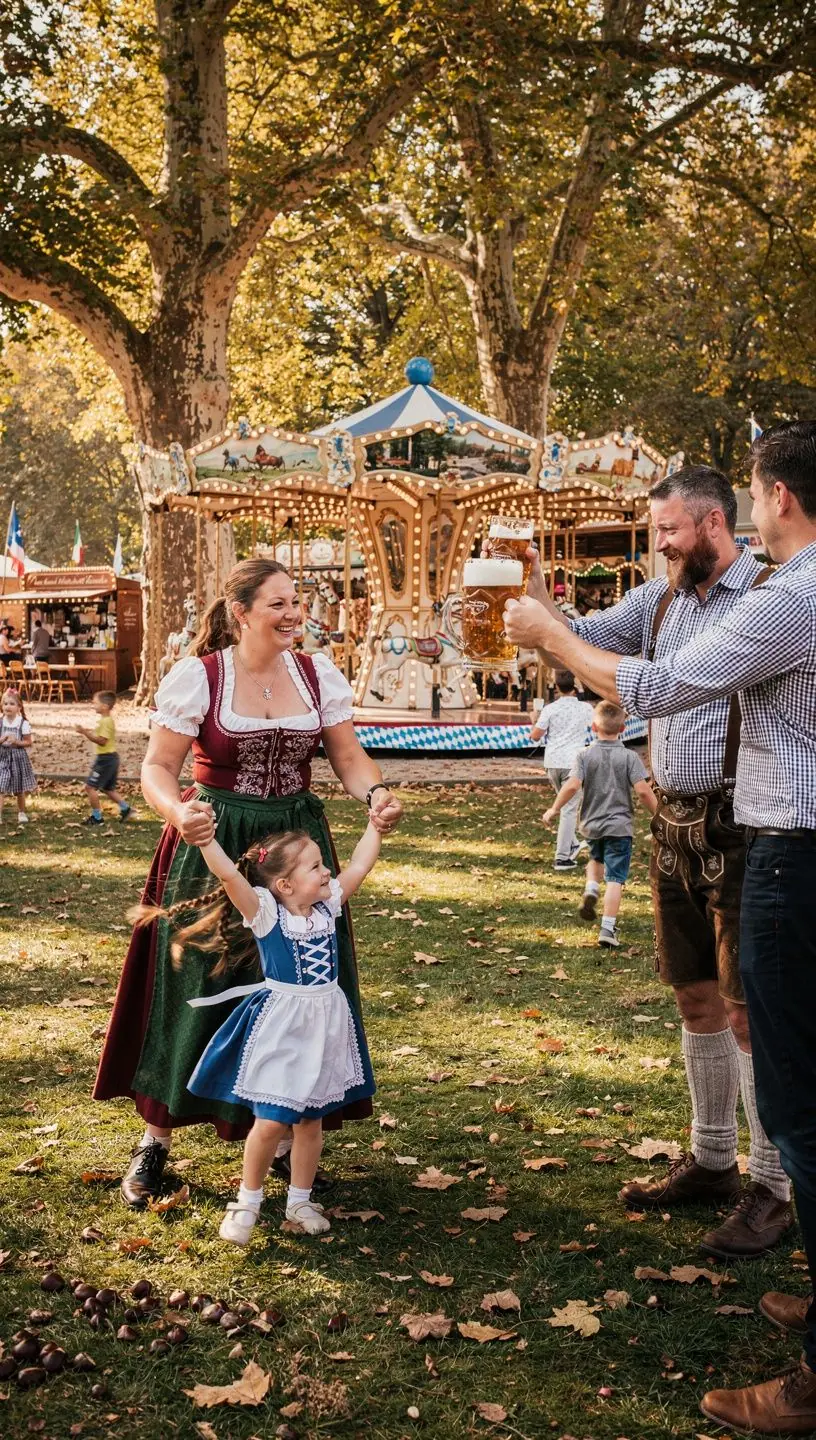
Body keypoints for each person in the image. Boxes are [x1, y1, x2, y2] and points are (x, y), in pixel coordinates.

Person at [504, 422, 816, 1433]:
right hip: (694, 821)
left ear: (748, 508)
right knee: (713, 1005)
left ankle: (778, 1217)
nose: (659, 544)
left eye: (669, 528)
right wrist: (531, 589)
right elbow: (605, 636)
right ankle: (718, 1161)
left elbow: (657, 684)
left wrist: (552, 644)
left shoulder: (781, 594)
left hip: (768, 837)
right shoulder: (675, 596)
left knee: (780, 1057)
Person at [94, 558, 403, 1210]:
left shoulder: (318, 674)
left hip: (294, 848)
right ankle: (156, 1138)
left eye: (297, 602)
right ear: (241, 610)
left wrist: (373, 793)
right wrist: (179, 811)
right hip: (214, 841)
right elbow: (157, 765)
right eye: (279, 603)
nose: (295, 614)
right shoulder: (200, 677)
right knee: (197, 986)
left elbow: (347, 755)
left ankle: (290, 1140)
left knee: (296, 983)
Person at [135, 819, 381, 1244]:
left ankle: (299, 1200)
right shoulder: (267, 915)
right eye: (316, 867)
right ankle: (247, 1201)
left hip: (325, 1027)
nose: (327, 873)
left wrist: (375, 827)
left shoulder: (328, 907)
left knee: (310, 1120)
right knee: (269, 1122)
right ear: (284, 885)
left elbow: (359, 865)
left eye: (323, 865)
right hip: (284, 1027)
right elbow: (230, 875)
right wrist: (208, 841)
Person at [543, 699, 656, 945]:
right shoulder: (629, 757)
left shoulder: (584, 755)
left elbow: (572, 785)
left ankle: (592, 888)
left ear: (593, 727)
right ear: (623, 729)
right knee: (615, 877)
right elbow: (644, 792)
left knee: (595, 859)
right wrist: (659, 816)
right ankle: (607, 929)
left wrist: (554, 808)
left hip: (591, 825)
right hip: (619, 826)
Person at [531, 669, 593, 869]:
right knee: (568, 808)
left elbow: (535, 736)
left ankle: (572, 843)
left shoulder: (550, 709)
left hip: (553, 762)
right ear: (576, 687)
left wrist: (534, 719)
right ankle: (562, 857)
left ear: (556, 687)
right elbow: (598, 726)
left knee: (566, 804)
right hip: (573, 761)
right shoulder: (585, 709)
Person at [75, 691, 132, 825]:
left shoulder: (106, 722)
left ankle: (97, 817)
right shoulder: (104, 721)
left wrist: (85, 732)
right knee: (107, 788)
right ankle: (126, 808)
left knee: (90, 787)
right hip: (110, 758)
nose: (93, 705)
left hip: (105, 760)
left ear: (105, 706)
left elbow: (102, 741)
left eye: (95, 703)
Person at [0, 687, 36, 825]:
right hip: (2, 757)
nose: (8, 706)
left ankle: (21, 812)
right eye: (5, 703)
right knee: (0, 786)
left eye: (12, 704)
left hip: (18, 758)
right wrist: (2, 740)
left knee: (19, 788)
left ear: (19, 707)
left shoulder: (23, 723)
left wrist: (17, 741)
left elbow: (28, 742)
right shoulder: (0, 722)